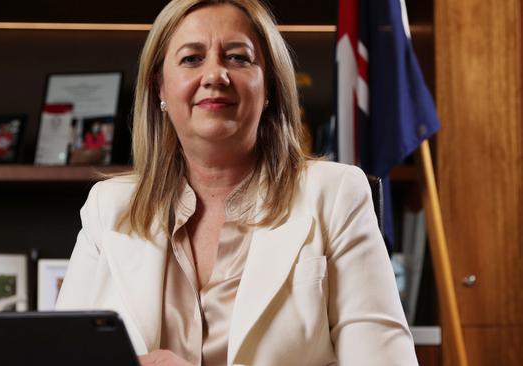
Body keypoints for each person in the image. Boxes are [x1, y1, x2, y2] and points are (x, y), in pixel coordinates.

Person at [56, 0, 417, 365]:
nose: (215, 75)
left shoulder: (336, 194)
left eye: (238, 58)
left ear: (270, 87)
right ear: (160, 88)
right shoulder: (108, 207)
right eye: (192, 58)